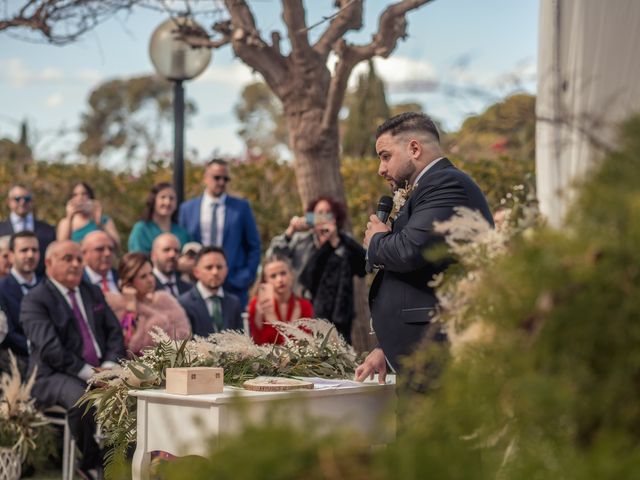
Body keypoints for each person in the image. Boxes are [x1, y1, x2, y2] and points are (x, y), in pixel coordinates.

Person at [355, 112, 493, 383]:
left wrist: (376, 240)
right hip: (420, 356)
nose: (380, 169)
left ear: (414, 148)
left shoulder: (446, 183)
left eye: (385, 156)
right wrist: (386, 348)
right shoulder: (428, 187)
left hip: (438, 357)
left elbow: (411, 250)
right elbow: (426, 273)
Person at [21, 240, 125, 479]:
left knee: (139, 395)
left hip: (102, 370)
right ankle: (91, 463)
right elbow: (50, 349)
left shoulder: (92, 291)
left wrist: (109, 367)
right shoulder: (35, 299)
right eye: (68, 259)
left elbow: (114, 333)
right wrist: (91, 374)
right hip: (51, 375)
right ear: (49, 263)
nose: (76, 264)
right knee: (82, 400)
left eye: (79, 259)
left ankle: (126, 459)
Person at [268, 197, 366, 344]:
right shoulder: (302, 240)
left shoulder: (345, 241)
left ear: (335, 217)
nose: (323, 217)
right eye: (319, 213)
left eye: (328, 213)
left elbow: (363, 267)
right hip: (304, 311)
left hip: (338, 317)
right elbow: (274, 256)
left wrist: (335, 241)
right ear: (311, 216)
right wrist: (291, 230)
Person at [179, 158, 261, 306]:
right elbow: (184, 244)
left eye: (225, 179)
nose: (221, 182)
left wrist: (246, 276)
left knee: (235, 329)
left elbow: (254, 245)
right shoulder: (187, 209)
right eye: (217, 177)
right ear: (205, 178)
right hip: (197, 284)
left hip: (233, 284)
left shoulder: (241, 207)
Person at [105, 252, 191, 355]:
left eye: (151, 274)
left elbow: (185, 335)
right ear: (128, 281)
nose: (150, 280)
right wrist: (131, 308)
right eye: (143, 277)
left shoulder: (165, 300)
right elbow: (126, 345)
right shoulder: (116, 305)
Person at [248, 255, 314, 345]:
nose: (280, 280)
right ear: (265, 280)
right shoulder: (257, 305)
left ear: (291, 275)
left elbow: (306, 343)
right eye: (273, 276)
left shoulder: (304, 306)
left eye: (283, 273)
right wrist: (267, 316)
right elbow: (258, 343)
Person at [179, 246, 243, 337]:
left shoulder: (234, 302)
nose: (215, 272)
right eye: (209, 267)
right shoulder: (184, 303)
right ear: (196, 272)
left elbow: (240, 340)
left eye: (219, 267)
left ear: (226, 270)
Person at [0, 231, 40, 376]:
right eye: (24, 250)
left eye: (34, 250)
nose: (30, 255)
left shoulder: (48, 284)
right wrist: (37, 349)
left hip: (58, 357)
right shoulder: (1, 288)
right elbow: (7, 332)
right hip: (20, 361)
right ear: (11, 255)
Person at [0, 185, 56, 276]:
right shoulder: (1, 229)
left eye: (27, 199)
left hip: (40, 283)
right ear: (9, 202)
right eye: (17, 199)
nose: (22, 202)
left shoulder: (48, 230)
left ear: (32, 201)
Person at [128, 182, 191, 254]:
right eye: (163, 197)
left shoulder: (183, 233)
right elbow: (137, 259)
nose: (167, 202)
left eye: (172, 198)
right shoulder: (142, 229)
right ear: (153, 200)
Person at [56, 181, 120, 247]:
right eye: (75, 195)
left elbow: (116, 244)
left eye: (84, 194)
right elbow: (61, 247)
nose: (80, 198)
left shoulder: (104, 220)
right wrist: (70, 218)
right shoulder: (65, 222)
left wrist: (98, 221)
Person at [150, 233, 192, 297]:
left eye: (176, 251)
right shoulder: (146, 287)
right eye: (166, 250)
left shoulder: (189, 289)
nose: (172, 254)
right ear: (153, 255)